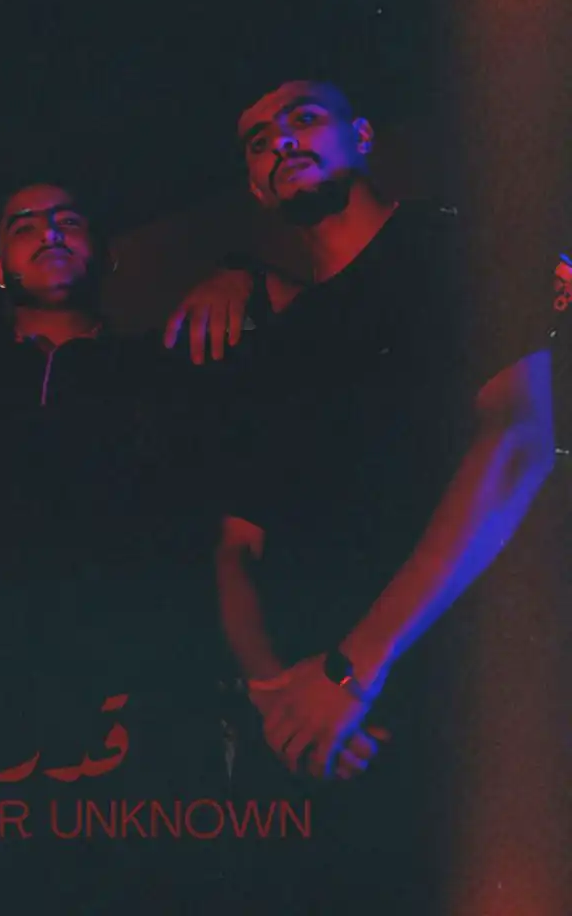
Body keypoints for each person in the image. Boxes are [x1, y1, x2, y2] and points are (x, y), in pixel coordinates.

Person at [208, 80, 555, 914]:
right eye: (258, 140)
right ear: (254, 184)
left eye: (303, 119)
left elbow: (518, 441)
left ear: (362, 135)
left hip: (447, 717)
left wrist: (351, 672)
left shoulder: (456, 248)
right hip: (305, 735)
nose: (281, 142)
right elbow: (236, 545)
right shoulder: (274, 342)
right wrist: (275, 697)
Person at [0, 182, 246, 915]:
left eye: (69, 220)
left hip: (140, 731)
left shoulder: (170, 369)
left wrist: (247, 273)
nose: (49, 232)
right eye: (23, 225)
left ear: (106, 255)